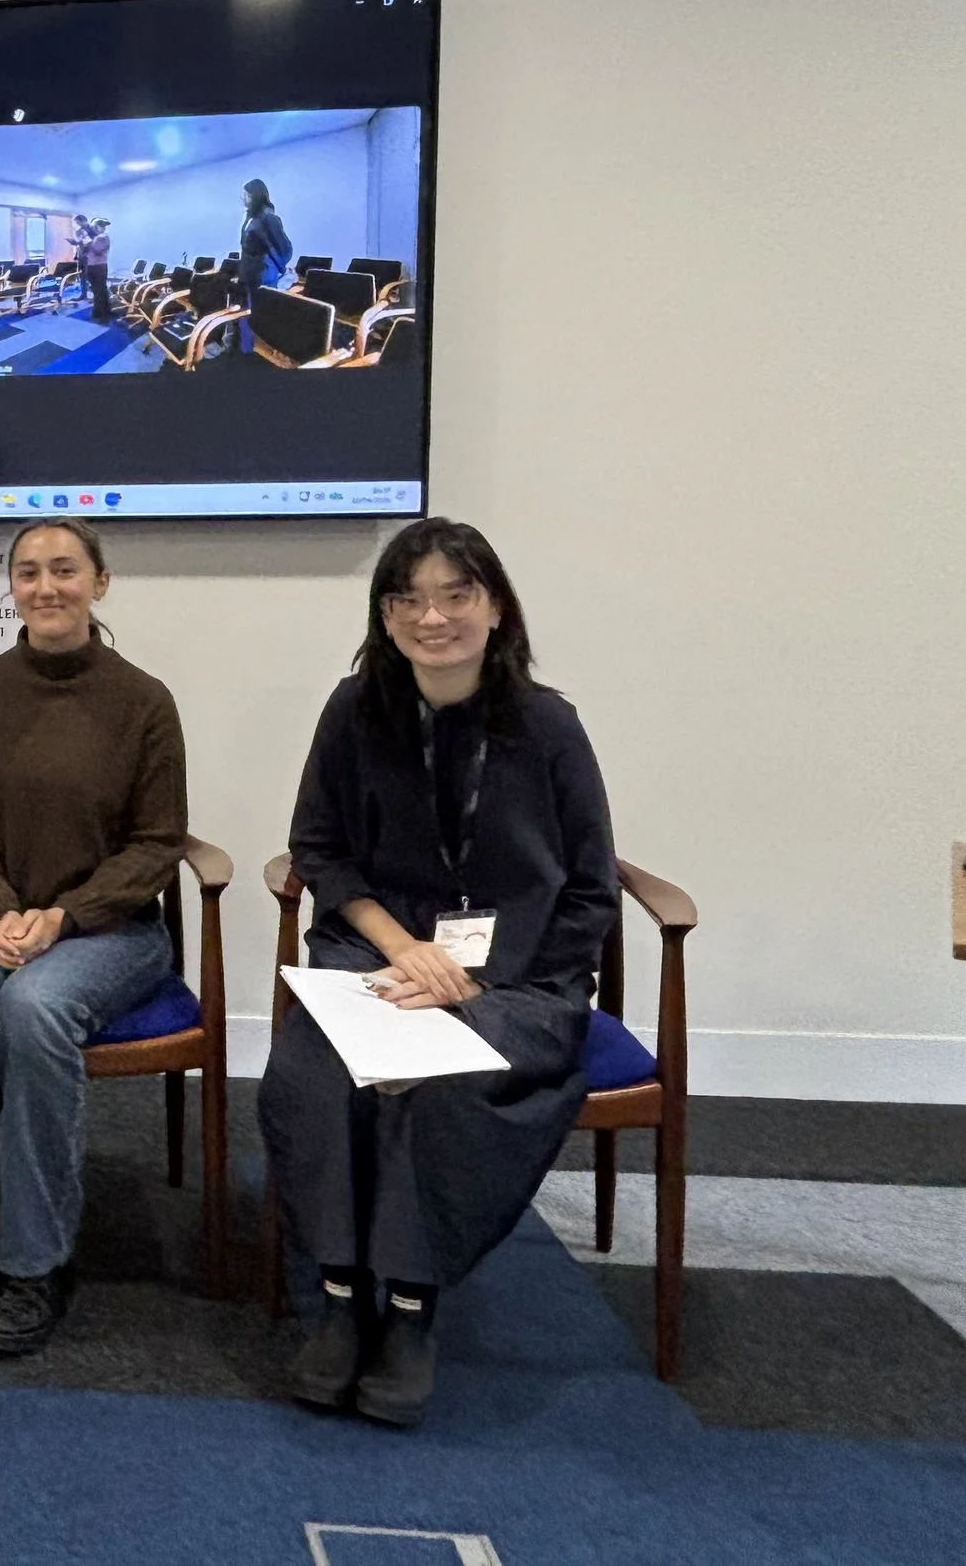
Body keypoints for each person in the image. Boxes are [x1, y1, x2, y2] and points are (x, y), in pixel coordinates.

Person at [260, 517, 616, 1428]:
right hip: (376, 955)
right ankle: (342, 1301)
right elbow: (320, 850)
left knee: (434, 1081)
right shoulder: (354, 710)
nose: (433, 616)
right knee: (312, 1071)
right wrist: (403, 949)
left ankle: (412, 1309)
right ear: (384, 616)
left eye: (456, 594)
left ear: (495, 608)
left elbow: (587, 888)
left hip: (519, 980)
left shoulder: (550, 726)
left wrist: (479, 981)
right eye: (408, 598)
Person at [0, 519, 187, 1355]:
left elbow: (158, 842)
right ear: (11, 589)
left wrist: (63, 917)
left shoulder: (144, 700)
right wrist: (0, 911)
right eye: (28, 573)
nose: (46, 587)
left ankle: (36, 1262)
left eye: (65, 570)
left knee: (34, 1006)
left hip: (112, 929)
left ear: (100, 583)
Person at [237, 179, 292, 357]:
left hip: (261, 274)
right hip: (249, 273)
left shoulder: (269, 217)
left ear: (256, 195)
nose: (242, 197)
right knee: (247, 314)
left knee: (262, 315)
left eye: (246, 194)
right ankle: (246, 351)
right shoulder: (251, 217)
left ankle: (262, 353)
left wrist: (276, 268)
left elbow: (285, 249)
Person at [76, 217, 115, 322]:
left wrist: (88, 241)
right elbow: (86, 250)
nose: (93, 229)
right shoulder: (96, 237)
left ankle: (103, 314)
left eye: (95, 227)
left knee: (100, 291)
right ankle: (99, 311)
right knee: (96, 290)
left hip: (99, 267)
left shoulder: (103, 237)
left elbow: (97, 250)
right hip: (92, 266)